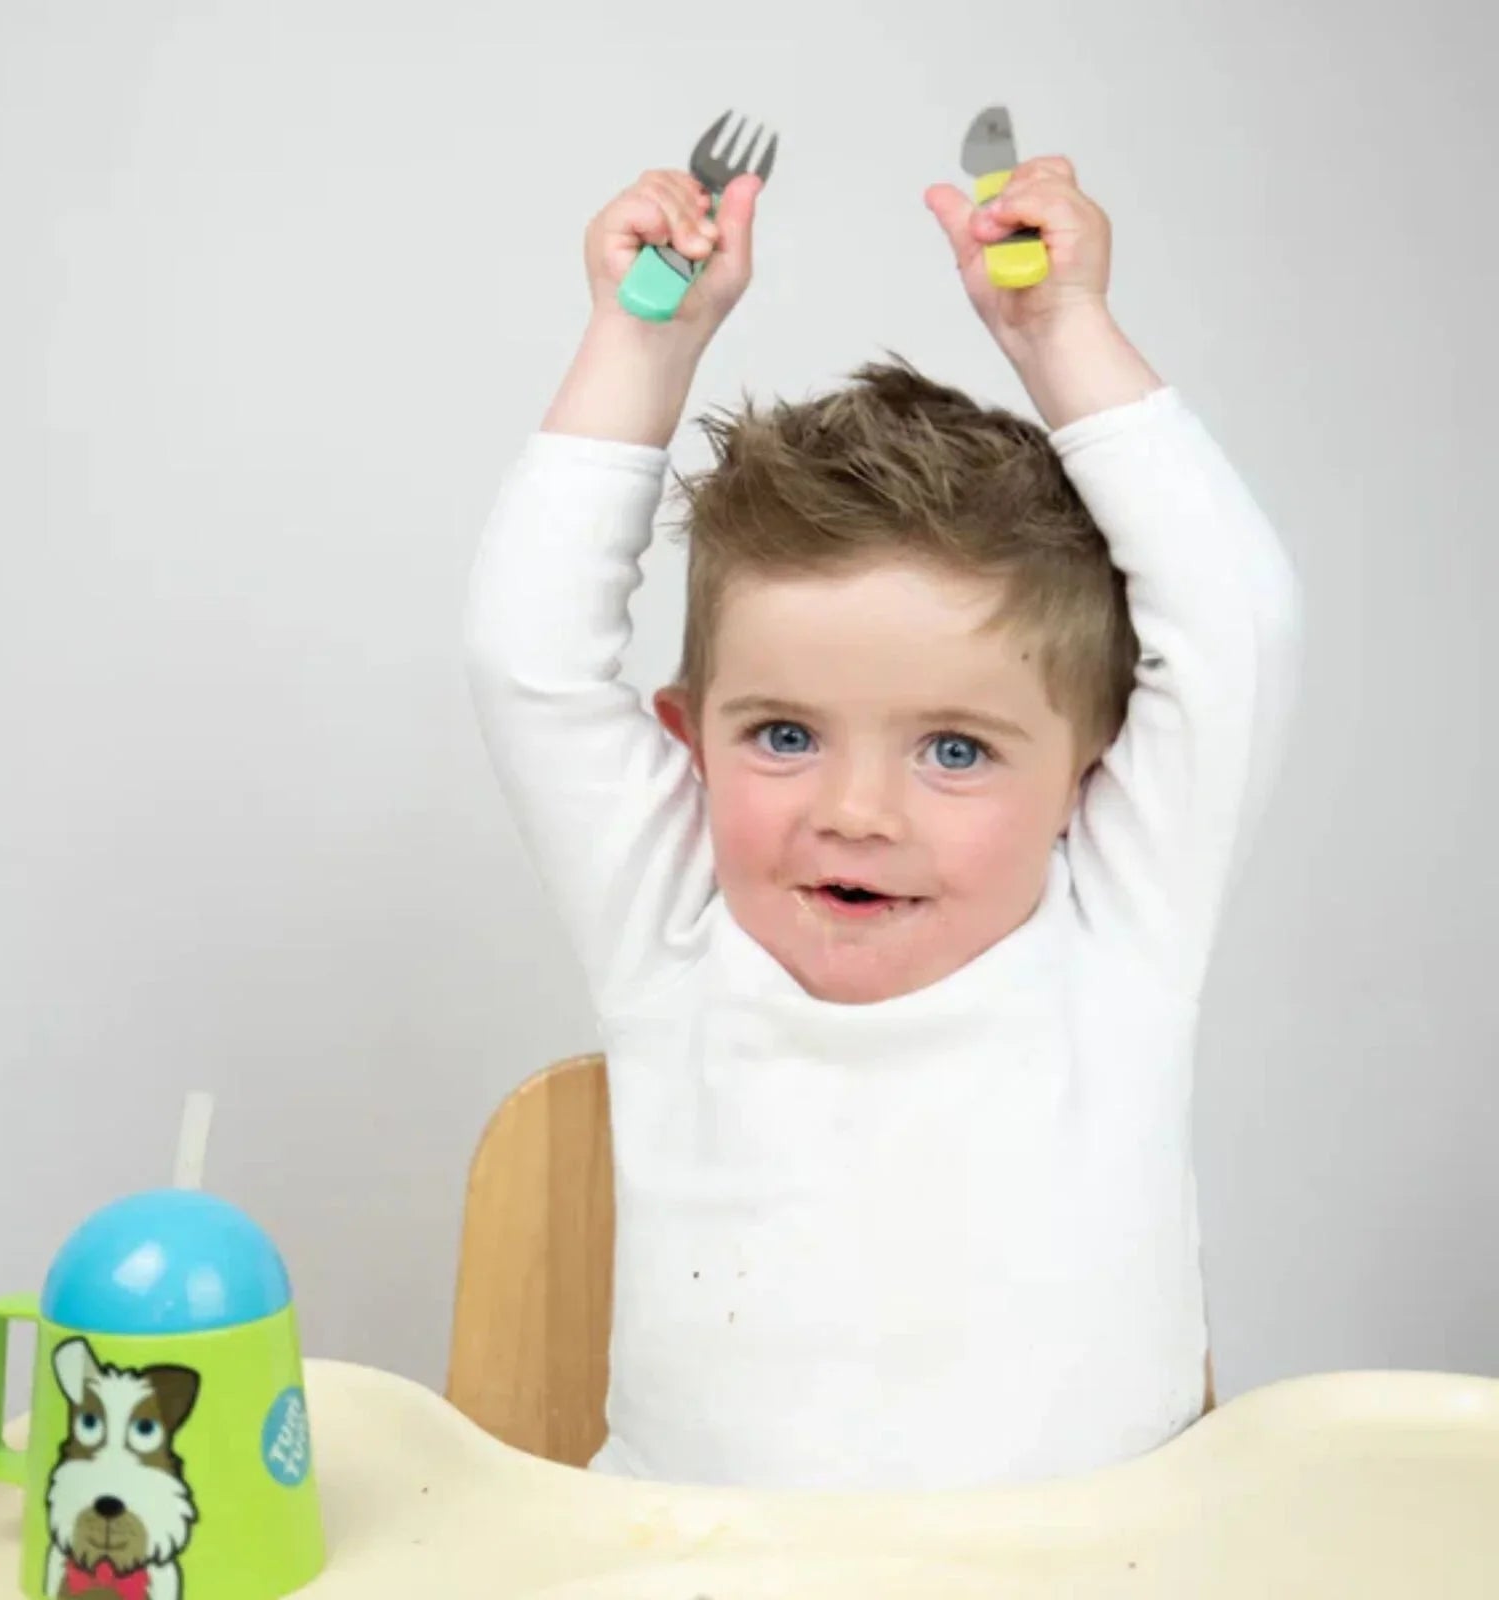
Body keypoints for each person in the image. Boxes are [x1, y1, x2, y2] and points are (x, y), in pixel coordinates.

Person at [462, 149, 1301, 1490]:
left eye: (955, 751)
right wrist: (642, 344)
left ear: (1089, 774)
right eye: (784, 737)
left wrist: (1061, 331)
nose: (855, 814)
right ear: (689, 742)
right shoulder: (673, 932)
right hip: (701, 1571)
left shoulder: (1120, 932)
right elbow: (530, 659)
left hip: (1084, 1573)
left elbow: (1236, 629)